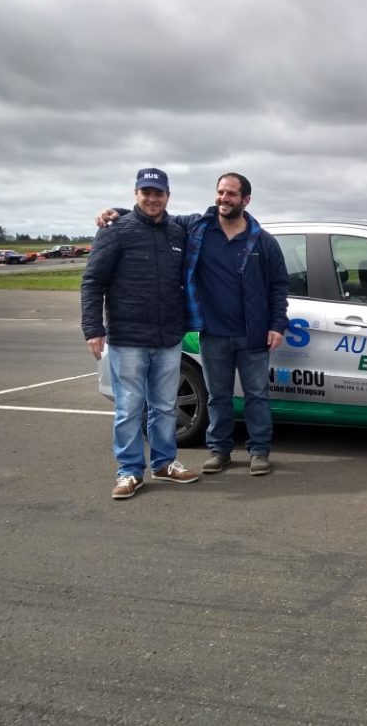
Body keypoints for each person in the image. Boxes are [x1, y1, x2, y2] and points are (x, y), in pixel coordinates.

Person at [100, 174, 289, 476]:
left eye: (231, 194)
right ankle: (220, 450)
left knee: (257, 395)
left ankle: (259, 451)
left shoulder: (263, 241)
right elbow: (156, 215)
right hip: (212, 332)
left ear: (246, 200)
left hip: (253, 334)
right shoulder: (198, 228)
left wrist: (277, 325)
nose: (224, 198)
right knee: (218, 397)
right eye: (220, 192)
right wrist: (118, 213)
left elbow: (279, 286)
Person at [81, 168, 199, 499]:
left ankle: (164, 463)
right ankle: (129, 471)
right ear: (136, 194)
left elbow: (208, 219)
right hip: (127, 337)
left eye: (158, 193)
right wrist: (93, 328)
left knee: (163, 406)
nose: (152, 198)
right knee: (129, 407)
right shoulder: (115, 230)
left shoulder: (177, 231)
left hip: (168, 337)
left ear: (167, 196)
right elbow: (93, 281)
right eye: (146, 192)